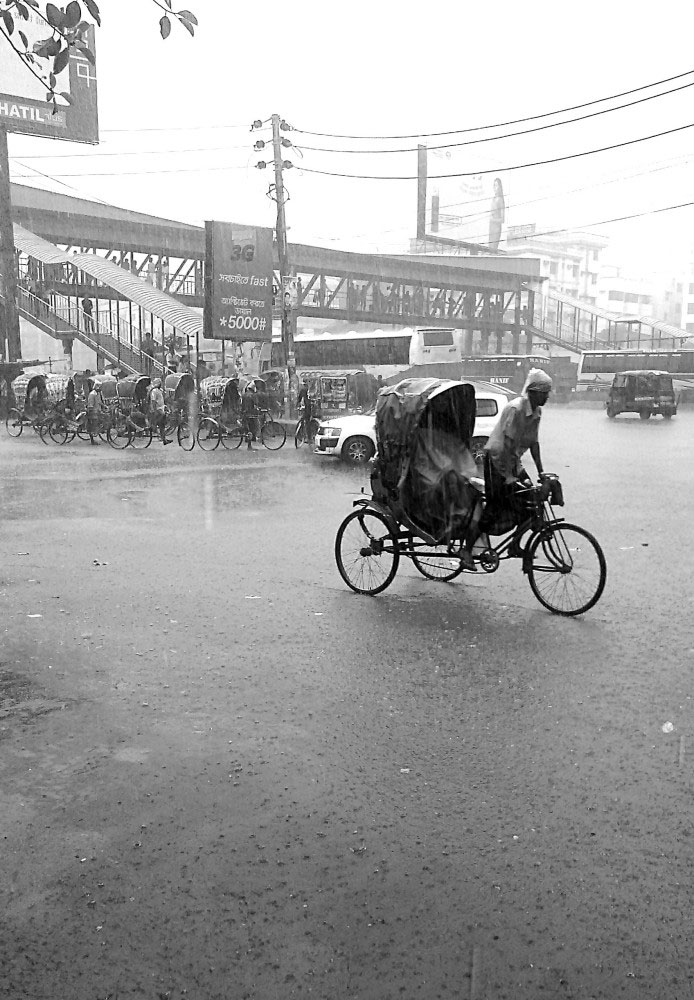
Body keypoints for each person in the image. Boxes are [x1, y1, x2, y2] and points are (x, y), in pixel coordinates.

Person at [147, 377, 172, 444]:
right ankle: (153, 428)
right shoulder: (154, 391)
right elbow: (153, 401)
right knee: (160, 424)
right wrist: (154, 410)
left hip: (161, 409)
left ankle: (164, 439)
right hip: (158, 410)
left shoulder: (158, 390)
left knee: (162, 426)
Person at [86, 381, 103, 445]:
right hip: (93, 412)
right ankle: (92, 440)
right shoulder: (92, 394)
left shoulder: (98, 394)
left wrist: (105, 406)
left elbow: (99, 402)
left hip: (97, 411)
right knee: (92, 426)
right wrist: (93, 411)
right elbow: (90, 405)